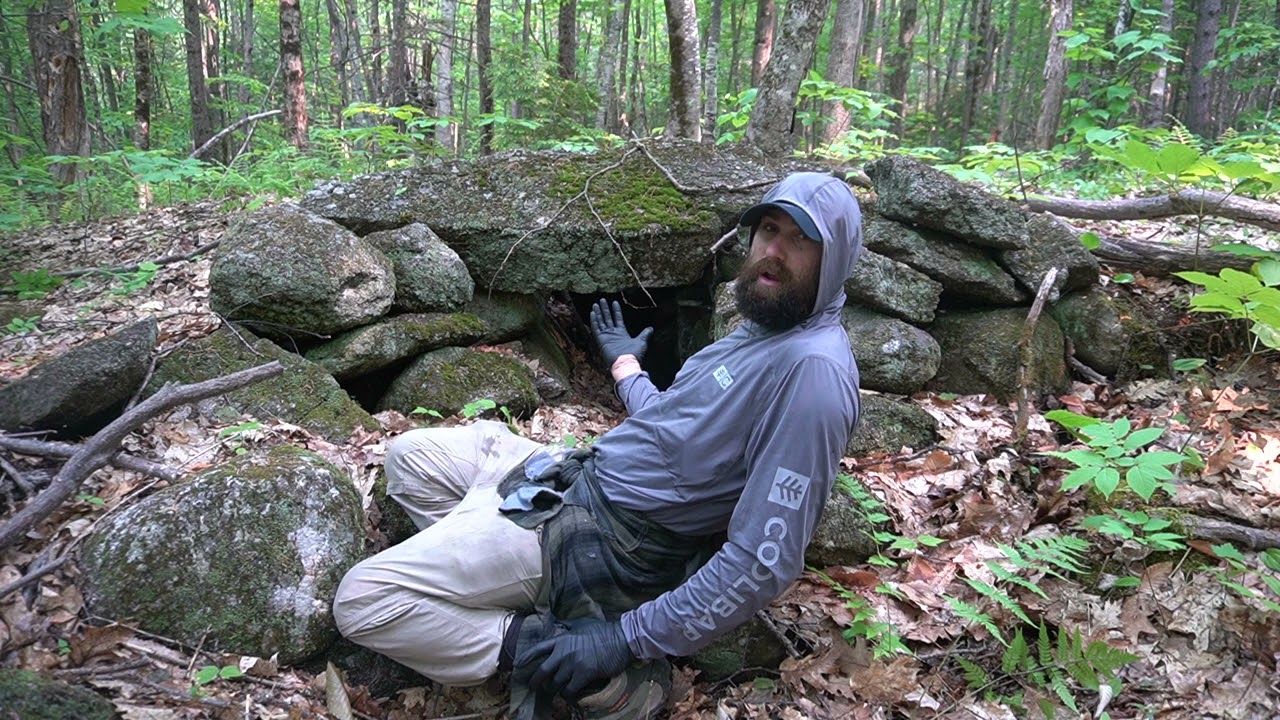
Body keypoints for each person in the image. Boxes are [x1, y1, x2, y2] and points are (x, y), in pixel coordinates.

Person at [333, 172, 863, 719]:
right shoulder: (765, 330)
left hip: (608, 532)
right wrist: (625, 365)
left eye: (801, 239)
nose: (773, 251)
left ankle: (550, 650)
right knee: (409, 459)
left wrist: (621, 640)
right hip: (575, 472)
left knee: (363, 601)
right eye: (768, 229)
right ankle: (509, 585)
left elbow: (763, 561)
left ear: (836, 259)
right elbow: (678, 426)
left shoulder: (812, 377)